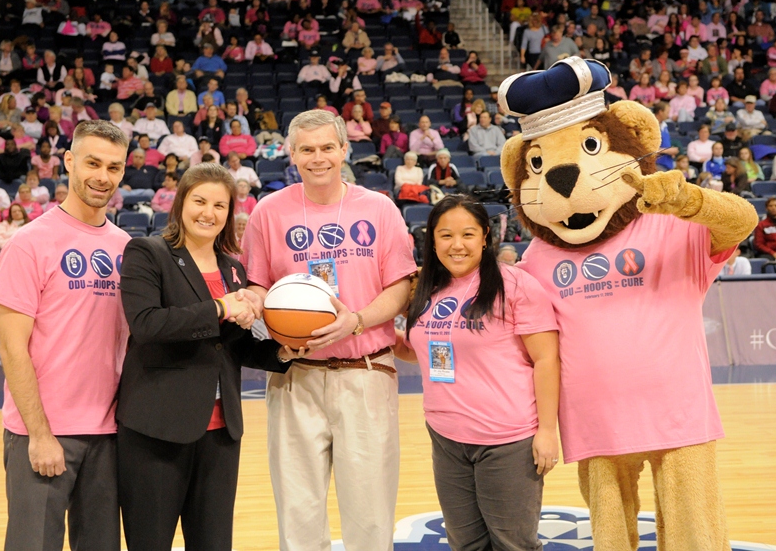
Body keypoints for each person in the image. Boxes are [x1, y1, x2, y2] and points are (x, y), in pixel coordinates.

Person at [240, 110, 416, 551]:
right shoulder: (268, 212)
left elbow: (400, 286)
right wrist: (255, 305)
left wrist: (355, 320)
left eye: (326, 148)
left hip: (366, 371)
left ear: (344, 149)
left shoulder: (378, 208)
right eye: (306, 150)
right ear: (292, 154)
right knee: (298, 511)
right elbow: (257, 284)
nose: (317, 158)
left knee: (370, 513)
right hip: (295, 375)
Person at [116, 162, 290, 550]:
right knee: (150, 542)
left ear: (230, 213)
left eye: (220, 205)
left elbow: (229, 344)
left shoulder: (232, 268)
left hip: (220, 433)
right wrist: (219, 307)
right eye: (199, 201)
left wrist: (283, 350)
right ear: (180, 204)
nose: (208, 213)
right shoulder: (148, 252)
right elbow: (146, 325)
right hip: (157, 430)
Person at [0, 96, 130, 551]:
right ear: (68, 161)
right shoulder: (30, 244)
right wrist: (39, 433)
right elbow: (12, 349)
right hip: (44, 432)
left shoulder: (128, 246)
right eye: (92, 163)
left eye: (113, 167)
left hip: (107, 435)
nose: (102, 177)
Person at [395, 195, 559, 550]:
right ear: (432, 240)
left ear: (485, 237)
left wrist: (547, 431)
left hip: (506, 440)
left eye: (468, 234)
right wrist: (385, 339)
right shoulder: (427, 289)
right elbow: (425, 351)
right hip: (446, 437)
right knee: (465, 543)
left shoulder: (514, 284)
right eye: (446, 235)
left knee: (512, 544)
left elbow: (546, 359)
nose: (457, 245)